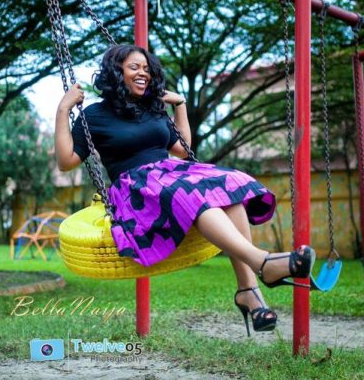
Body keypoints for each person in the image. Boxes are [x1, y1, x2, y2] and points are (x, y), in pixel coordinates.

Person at [55, 44, 315, 336]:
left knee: (230, 189)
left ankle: (249, 292)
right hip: (138, 189)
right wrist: (64, 109)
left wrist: (180, 106)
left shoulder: (152, 109)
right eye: (134, 67)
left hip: (171, 174)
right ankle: (263, 263)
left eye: (146, 68)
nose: (143, 73)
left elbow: (182, 149)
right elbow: (66, 162)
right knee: (189, 195)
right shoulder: (94, 115)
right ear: (116, 73)